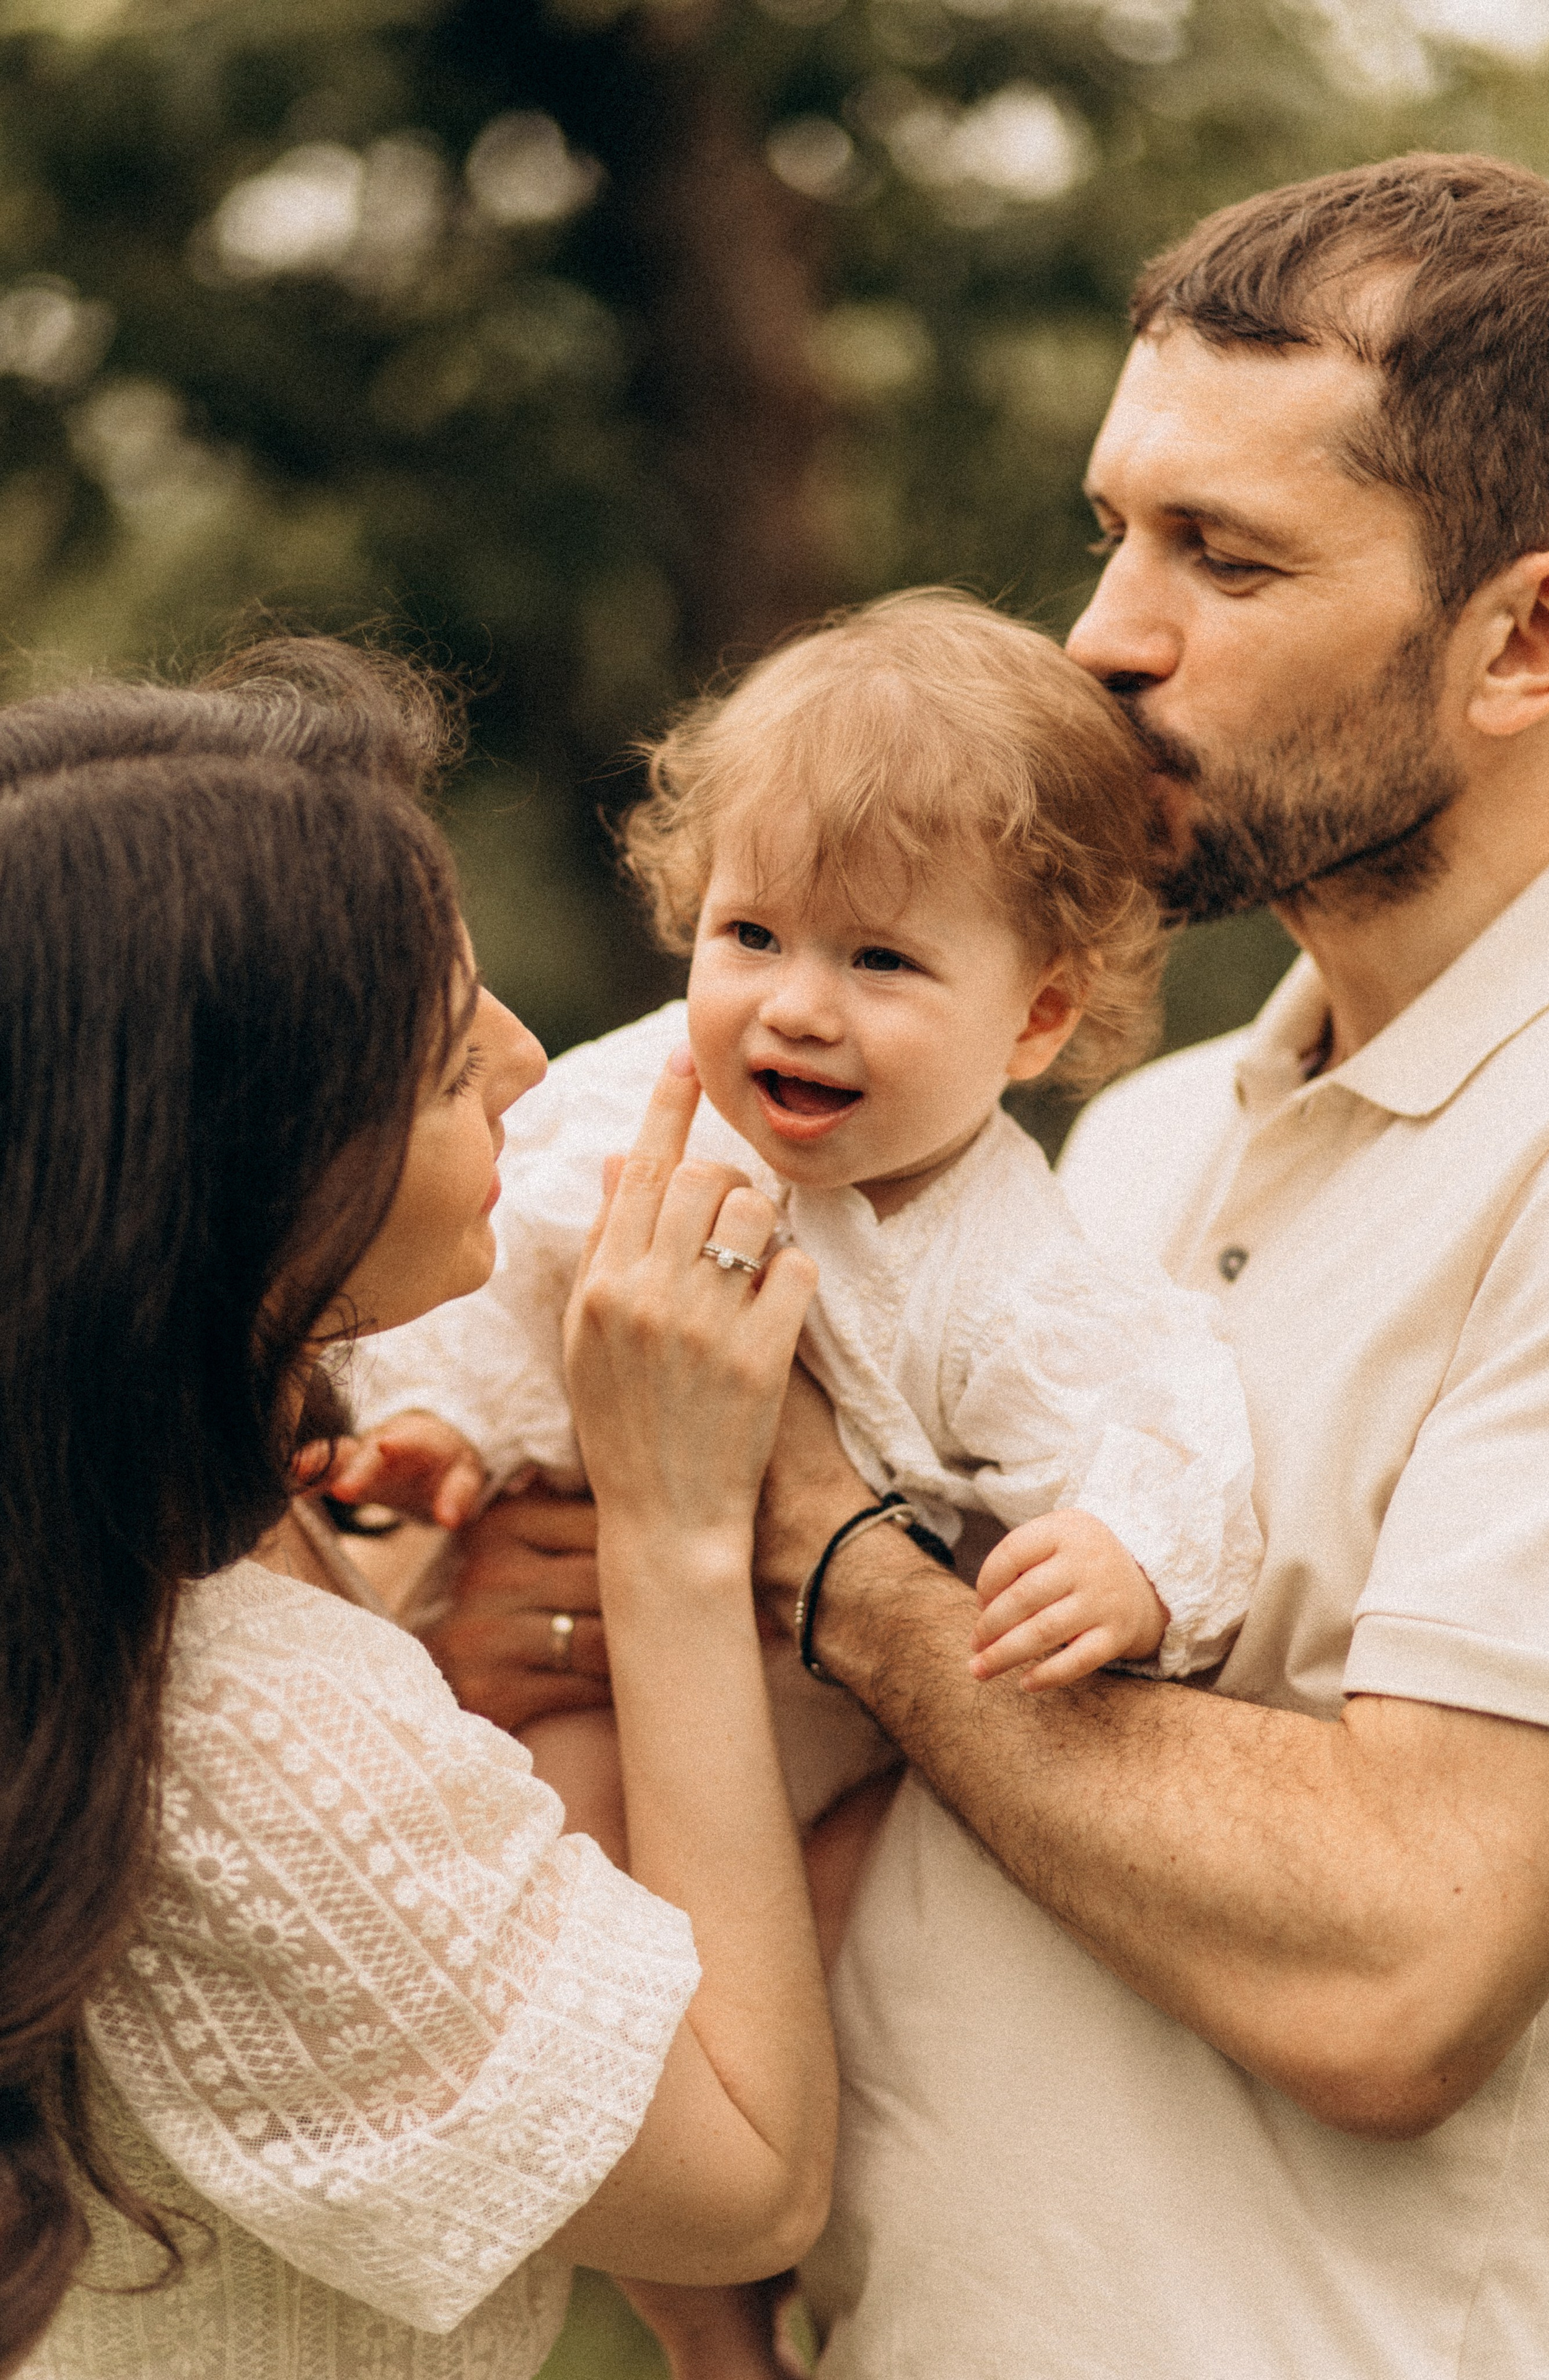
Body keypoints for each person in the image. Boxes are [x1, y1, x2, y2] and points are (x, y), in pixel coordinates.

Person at [421, 151, 1549, 2377]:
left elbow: (1404, 1963)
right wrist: (594, 1589)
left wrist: (811, 1544)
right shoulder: (1126, 1139)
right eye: (1115, 532)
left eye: (1224, 555)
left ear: (1527, 634)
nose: (1105, 638)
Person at [331, 593, 1263, 2378]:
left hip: (838, 1731)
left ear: (1036, 1017)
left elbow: (1166, 1410)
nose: (796, 1007)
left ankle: (784, 2275)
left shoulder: (1003, 1268)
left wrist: (1129, 1551)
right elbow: (510, 1282)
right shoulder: (640, 1111)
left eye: (884, 963)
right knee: (565, 1895)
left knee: (859, 1935)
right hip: (623, 1683)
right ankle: (703, 2331)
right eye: (751, 933)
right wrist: (441, 1431)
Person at [0, 638, 836, 2380]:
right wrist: (673, 1531)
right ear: (243, 1171)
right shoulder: (232, 1733)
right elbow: (748, 2181)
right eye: (451, 1059)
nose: (529, 1061)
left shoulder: (115, 1581)